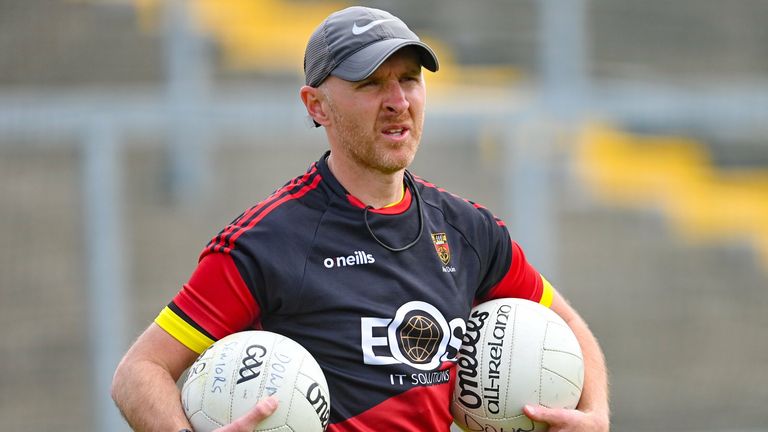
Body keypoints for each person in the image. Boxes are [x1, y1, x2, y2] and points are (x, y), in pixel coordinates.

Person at [111, 6, 610, 432]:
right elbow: (139, 372)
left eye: (409, 79)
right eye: (371, 83)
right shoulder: (266, 242)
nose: (398, 101)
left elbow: (566, 324)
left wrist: (595, 415)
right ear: (317, 106)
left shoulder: (468, 229)